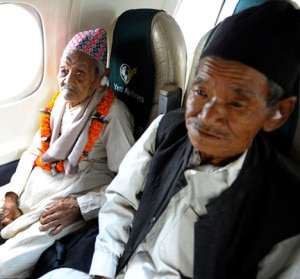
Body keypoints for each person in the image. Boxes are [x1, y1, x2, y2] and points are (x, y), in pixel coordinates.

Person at [88, 1, 300, 279]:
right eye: (201, 92)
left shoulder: (288, 208)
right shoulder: (168, 128)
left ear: (276, 113)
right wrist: (103, 270)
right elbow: (121, 199)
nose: (207, 116)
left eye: (236, 103)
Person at [0, 28, 135, 279]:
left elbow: (129, 186)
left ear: (100, 77)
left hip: (60, 209)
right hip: (29, 191)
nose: (68, 80)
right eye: (64, 70)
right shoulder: (59, 103)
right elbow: (34, 151)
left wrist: (80, 206)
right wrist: (11, 196)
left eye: (80, 73)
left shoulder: (114, 115)